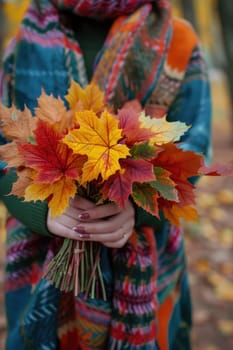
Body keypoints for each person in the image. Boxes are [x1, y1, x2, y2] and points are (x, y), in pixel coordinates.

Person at [0, 0, 212, 349]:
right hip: (38, 263)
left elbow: (194, 151)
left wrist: (135, 209)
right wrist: (41, 210)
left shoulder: (178, 40)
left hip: (147, 262)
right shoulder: (23, 42)